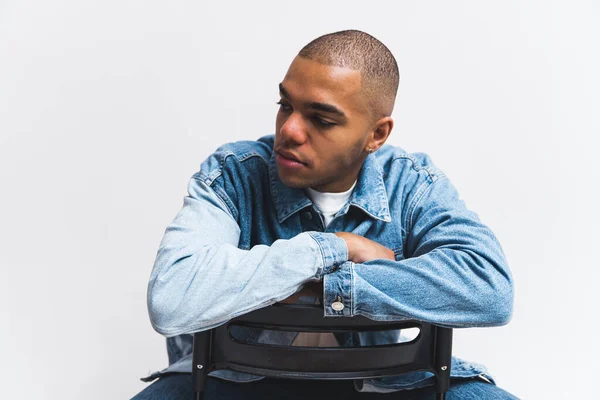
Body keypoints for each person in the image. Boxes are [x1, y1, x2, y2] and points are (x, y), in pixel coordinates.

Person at [133, 30, 518, 399]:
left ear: (377, 134)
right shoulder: (234, 174)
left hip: (385, 380)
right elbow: (173, 296)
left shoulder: (412, 182)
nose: (290, 130)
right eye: (286, 105)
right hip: (236, 380)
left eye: (321, 119)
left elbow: (488, 288)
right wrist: (333, 248)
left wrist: (321, 288)